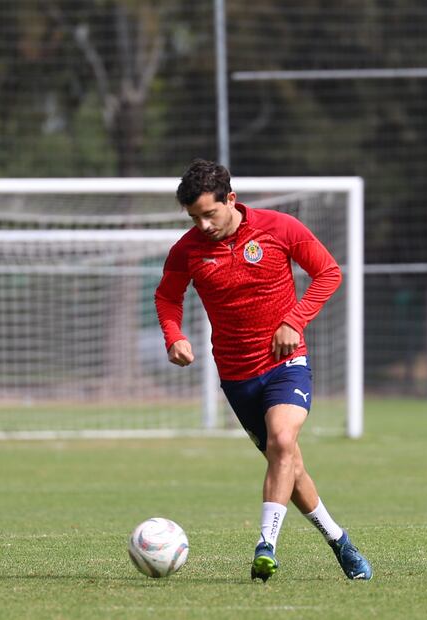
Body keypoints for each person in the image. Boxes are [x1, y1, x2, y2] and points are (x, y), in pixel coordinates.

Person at [154, 159, 372, 582]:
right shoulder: (187, 250)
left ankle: (265, 546)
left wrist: (295, 320)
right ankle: (340, 542)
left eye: (209, 214)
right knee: (287, 460)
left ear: (230, 200)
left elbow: (328, 272)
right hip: (237, 376)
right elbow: (167, 297)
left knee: (283, 439)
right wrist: (174, 335)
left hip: (285, 364)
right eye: (194, 217)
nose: (202, 225)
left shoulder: (279, 228)